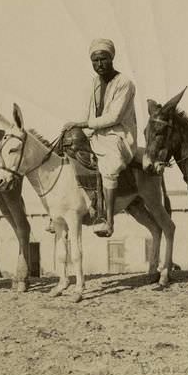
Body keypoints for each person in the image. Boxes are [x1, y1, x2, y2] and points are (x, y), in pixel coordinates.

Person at [62, 38, 137, 237]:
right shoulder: (94, 83)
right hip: (96, 133)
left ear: (111, 58)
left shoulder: (125, 83)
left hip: (118, 136)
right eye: (95, 61)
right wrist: (77, 129)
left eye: (103, 59)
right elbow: (88, 114)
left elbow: (115, 117)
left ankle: (107, 219)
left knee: (109, 167)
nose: (99, 65)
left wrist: (82, 124)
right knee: (65, 146)